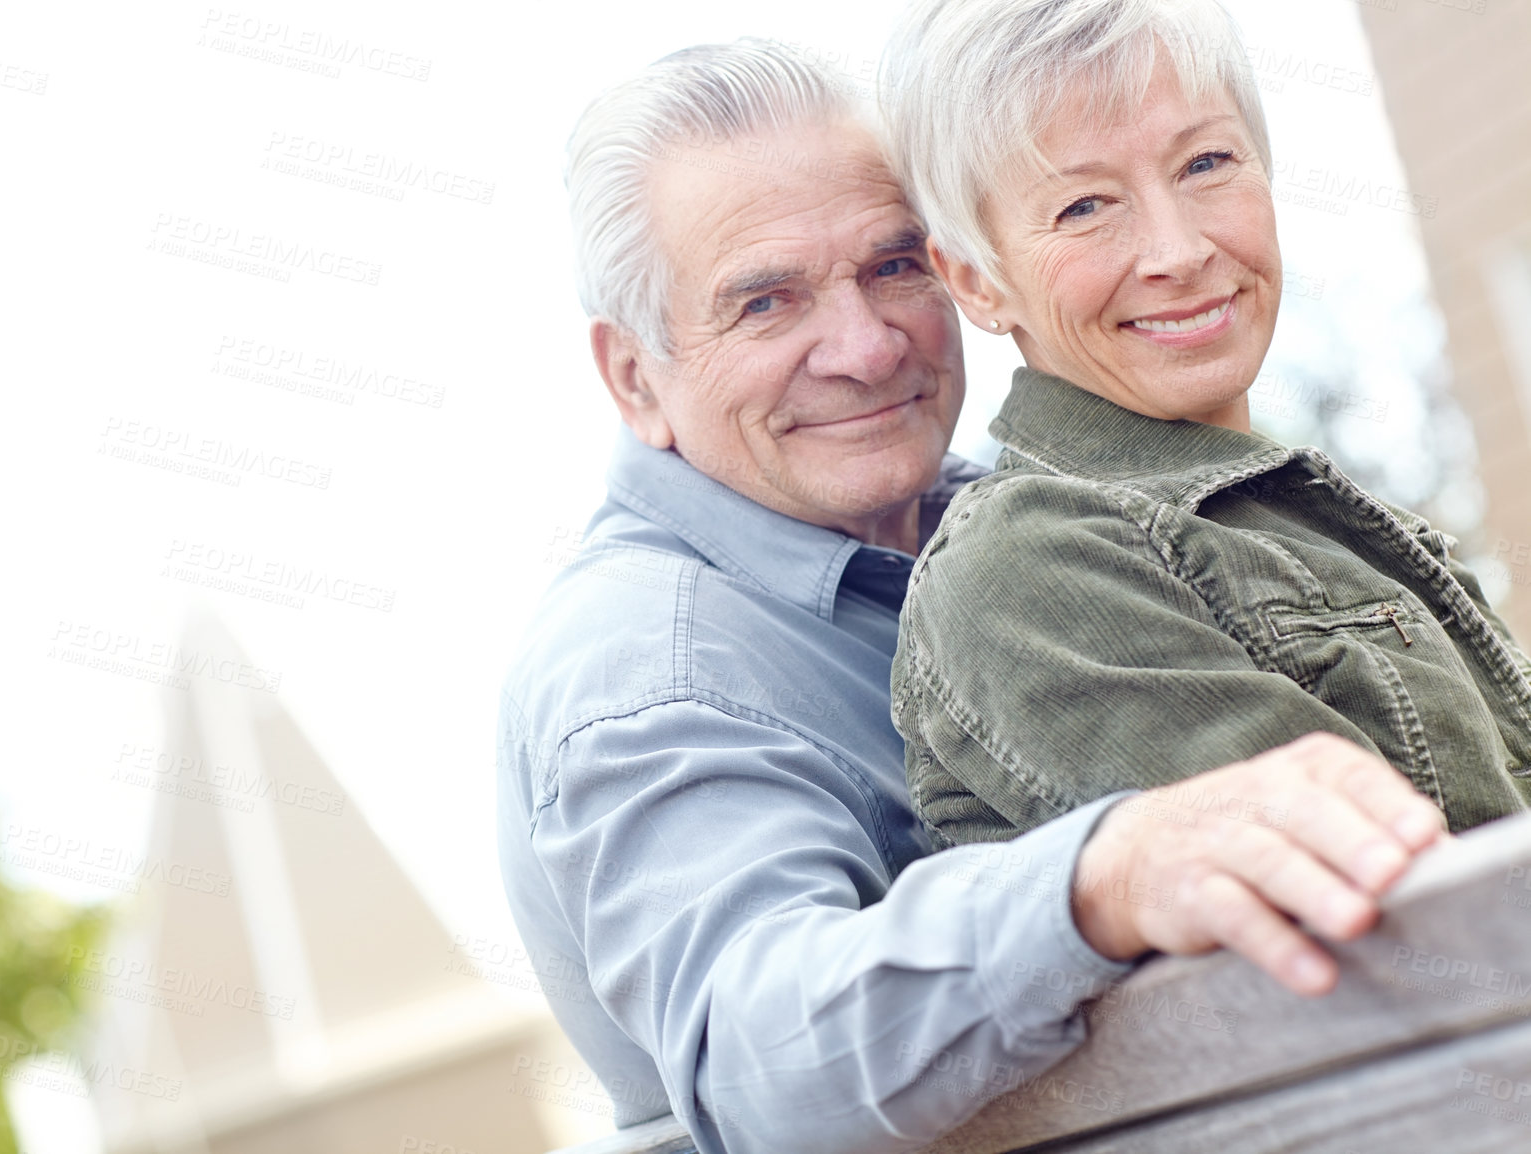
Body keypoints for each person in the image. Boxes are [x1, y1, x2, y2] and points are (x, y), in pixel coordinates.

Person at [496, 38, 1446, 1154]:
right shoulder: (642, 665)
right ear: (631, 375)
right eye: (764, 302)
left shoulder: (1031, 524)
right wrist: (1097, 878)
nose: (862, 345)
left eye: (894, 264)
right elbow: (761, 1054)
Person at [881, 0, 1531, 864]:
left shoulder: (1309, 515)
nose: (1178, 250)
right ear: (976, 281)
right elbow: (1403, 912)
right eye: (1084, 207)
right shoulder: (1029, 564)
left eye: (1206, 162)